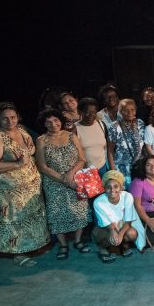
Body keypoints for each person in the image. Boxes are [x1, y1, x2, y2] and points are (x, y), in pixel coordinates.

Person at [0, 102, 49, 267]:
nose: (10, 121)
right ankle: (17, 253)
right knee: (11, 220)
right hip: (6, 191)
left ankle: (30, 246)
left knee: (26, 219)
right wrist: (17, 165)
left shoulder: (22, 131)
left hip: (28, 187)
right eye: (4, 119)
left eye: (12, 117)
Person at [35, 109, 92, 261]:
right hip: (53, 182)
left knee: (80, 210)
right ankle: (63, 244)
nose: (53, 124)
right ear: (44, 124)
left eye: (56, 120)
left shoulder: (72, 136)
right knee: (56, 213)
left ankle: (78, 240)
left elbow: (82, 159)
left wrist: (71, 174)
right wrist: (63, 179)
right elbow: (42, 166)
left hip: (75, 178)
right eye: (49, 122)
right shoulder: (41, 140)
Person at [92, 170, 146, 263]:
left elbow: (128, 221)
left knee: (132, 233)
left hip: (122, 225)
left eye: (116, 186)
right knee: (110, 238)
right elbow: (108, 225)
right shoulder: (98, 202)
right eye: (108, 187)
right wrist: (113, 232)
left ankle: (124, 245)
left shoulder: (127, 196)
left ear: (121, 187)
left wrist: (120, 235)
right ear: (104, 188)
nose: (112, 190)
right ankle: (102, 248)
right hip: (105, 228)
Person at [108, 98, 145, 188]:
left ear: (135, 111)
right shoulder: (114, 126)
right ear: (120, 112)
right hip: (121, 168)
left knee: (138, 192)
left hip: (138, 167)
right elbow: (110, 150)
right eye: (125, 110)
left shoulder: (140, 123)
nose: (129, 112)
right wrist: (113, 170)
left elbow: (144, 146)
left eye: (132, 109)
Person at [75, 98, 115, 174]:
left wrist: (112, 169)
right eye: (87, 112)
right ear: (79, 112)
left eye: (93, 112)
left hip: (103, 169)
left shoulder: (101, 125)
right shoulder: (75, 129)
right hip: (86, 172)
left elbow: (109, 149)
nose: (91, 115)